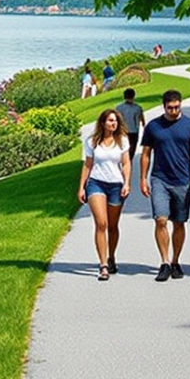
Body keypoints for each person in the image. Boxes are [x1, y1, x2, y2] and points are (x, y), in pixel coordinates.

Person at [135, 89, 190, 282]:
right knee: (161, 220)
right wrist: (143, 178)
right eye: (170, 108)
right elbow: (146, 154)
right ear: (164, 106)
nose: (173, 111)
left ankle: (175, 261)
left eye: (177, 107)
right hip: (160, 179)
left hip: (183, 180)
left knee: (179, 222)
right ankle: (164, 262)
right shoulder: (153, 126)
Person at [77, 110, 129, 279]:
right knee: (101, 223)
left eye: (115, 121)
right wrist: (81, 187)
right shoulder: (92, 142)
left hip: (116, 185)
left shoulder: (122, 141)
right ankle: (103, 265)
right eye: (110, 121)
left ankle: (111, 256)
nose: (113, 124)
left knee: (113, 226)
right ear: (103, 123)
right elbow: (87, 165)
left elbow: (126, 163)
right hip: (96, 183)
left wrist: (126, 183)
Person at [113, 87, 144, 160]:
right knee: (131, 151)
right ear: (133, 96)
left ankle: (125, 163)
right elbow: (142, 120)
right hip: (134, 131)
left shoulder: (118, 108)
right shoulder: (137, 108)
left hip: (122, 131)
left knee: (122, 149)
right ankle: (128, 163)